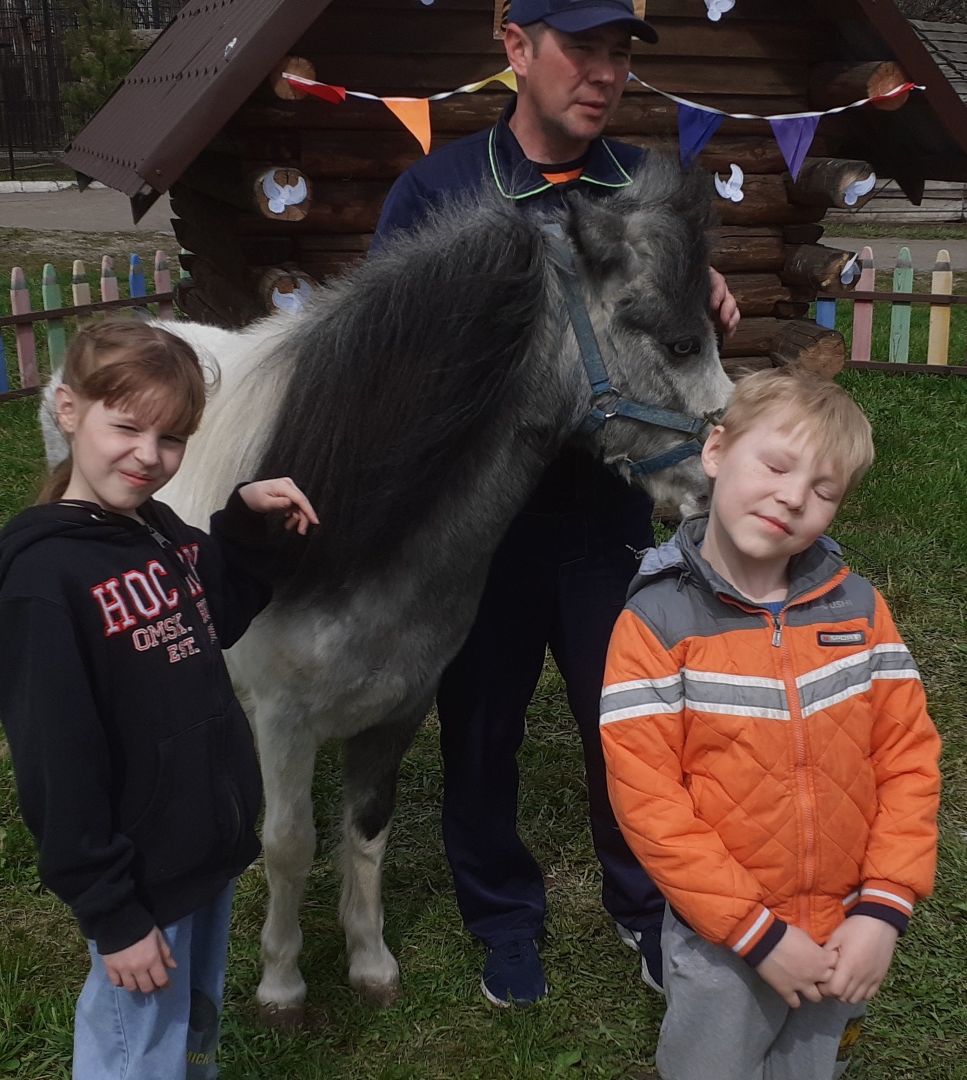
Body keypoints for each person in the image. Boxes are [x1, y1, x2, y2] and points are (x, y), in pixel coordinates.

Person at [374, 0, 739, 1009]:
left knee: (625, 722)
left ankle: (644, 906)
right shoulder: (440, 192)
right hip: (479, 533)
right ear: (516, 48)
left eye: (620, 54)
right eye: (582, 48)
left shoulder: (646, 187)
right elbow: (391, 363)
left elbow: (677, 331)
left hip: (609, 518)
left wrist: (701, 298)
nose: (606, 73)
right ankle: (502, 917)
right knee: (480, 729)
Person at [0, 320, 318, 1080]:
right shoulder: (46, 584)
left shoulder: (155, 531)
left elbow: (212, 616)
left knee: (188, 1034)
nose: (147, 457)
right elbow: (57, 762)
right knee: (136, 1054)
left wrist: (244, 526)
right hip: (139, 878)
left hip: (200, 849)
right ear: (68, 411)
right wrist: (113, 913)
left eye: (171, 440)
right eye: (125, 426)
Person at [600, 367, 942, 1080]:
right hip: (723, 942)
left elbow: (909, 759)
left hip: (846, 933)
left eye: (824, 491)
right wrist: (754, 932)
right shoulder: (654, 623)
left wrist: (883, 908)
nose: (793, 498)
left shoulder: (859, 612)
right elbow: (648, 803)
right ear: (718, 451)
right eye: (777, 465)